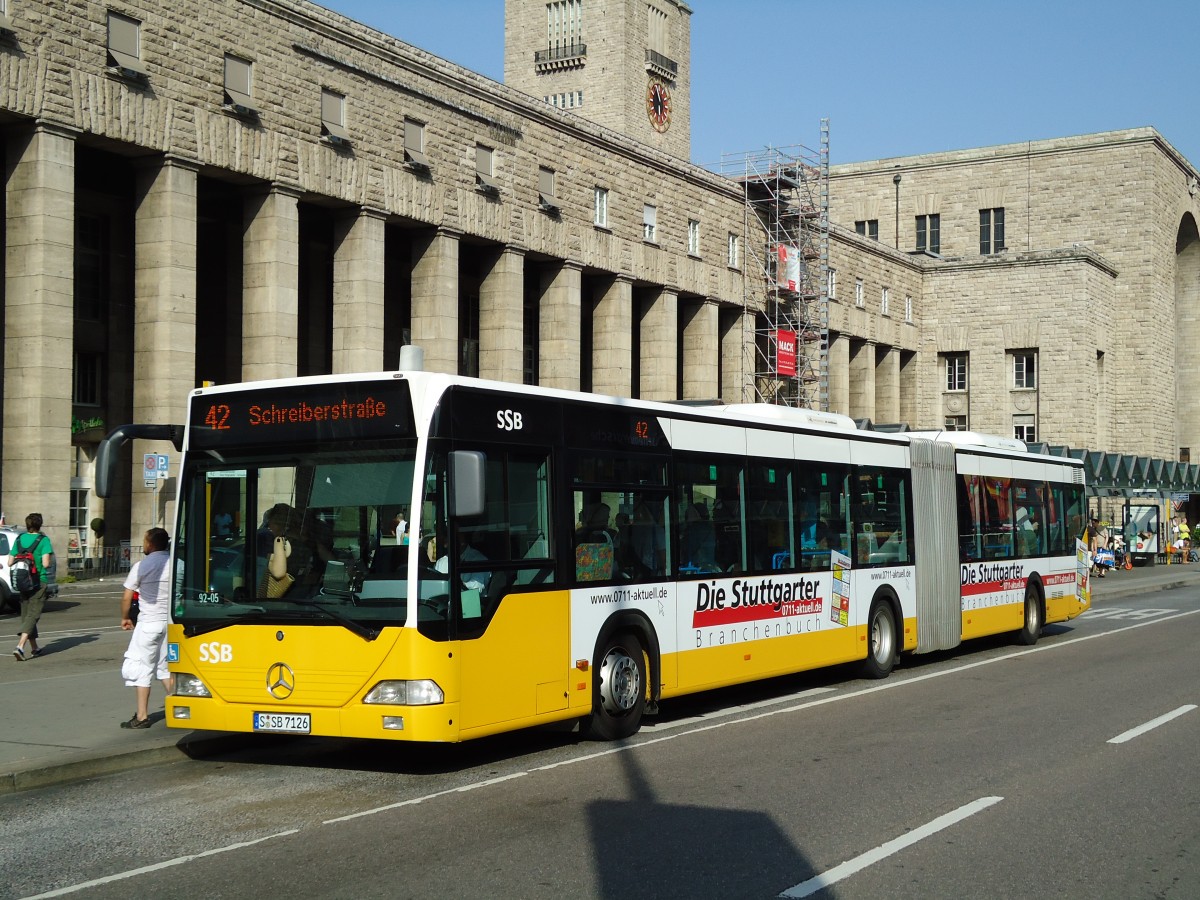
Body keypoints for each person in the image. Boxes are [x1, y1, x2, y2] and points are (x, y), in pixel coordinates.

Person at [119, 528, 174, 728]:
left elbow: (127, 597)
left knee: (141, 667)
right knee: (165, 668)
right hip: (171, 624)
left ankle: (142, 716)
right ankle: (180, 706)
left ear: (150, 544)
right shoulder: (177, 564)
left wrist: (125, 617)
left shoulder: (142, 566)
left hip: (149, 623)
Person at [9, 513, 54, 661]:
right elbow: (46, 564)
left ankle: (34, 648)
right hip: (38, 581)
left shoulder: (19, 539)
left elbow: (10, 562)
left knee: (27, 614)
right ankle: (20, 647)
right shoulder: (44, 540)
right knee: (33, 615)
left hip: (23, 582)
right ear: (40, 525)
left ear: (27, 524)